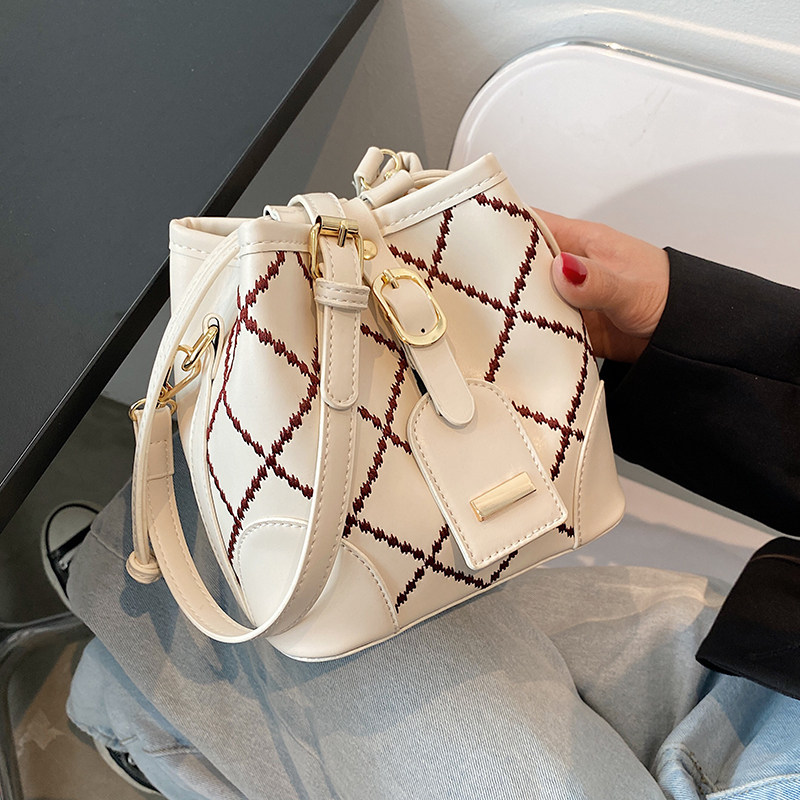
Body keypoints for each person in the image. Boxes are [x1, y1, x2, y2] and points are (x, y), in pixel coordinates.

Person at [64, 215, 800, 799]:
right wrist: (692, 320)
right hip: (767, 661)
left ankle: (137, 707)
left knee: (324, 622)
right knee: (340, 624)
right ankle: (146, 700)